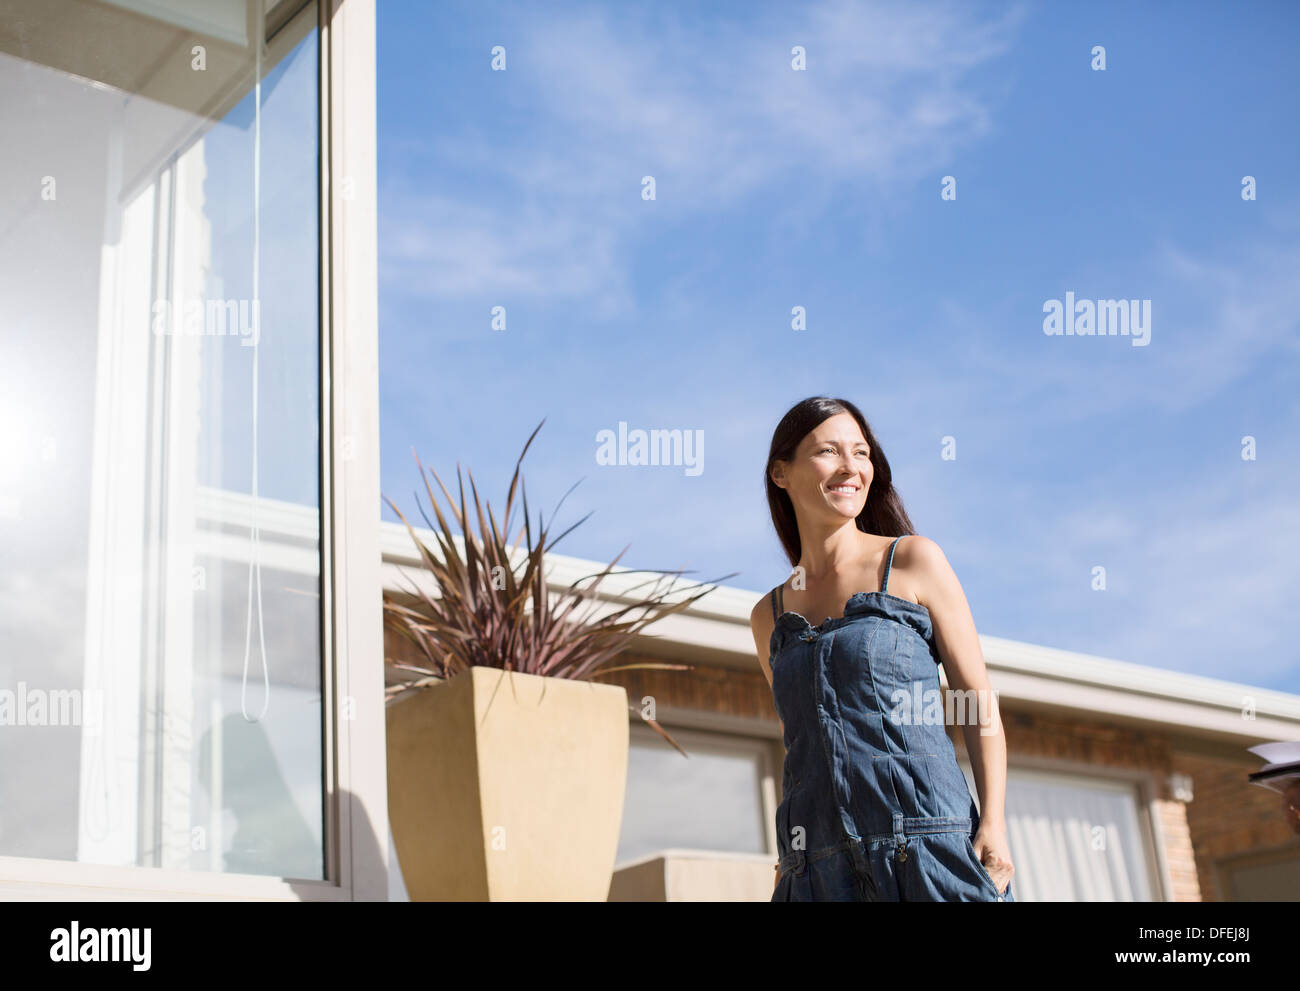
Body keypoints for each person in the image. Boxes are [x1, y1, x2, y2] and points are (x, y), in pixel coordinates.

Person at [749, 396, 1015, 901]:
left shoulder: (914, 560)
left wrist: (994, 823)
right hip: (816, 871)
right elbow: (800, 744)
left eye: (862, 452)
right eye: (828, 451)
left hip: (931, 850)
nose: (851, 467)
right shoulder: (769, 615)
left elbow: (975, 701)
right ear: (780, 473)